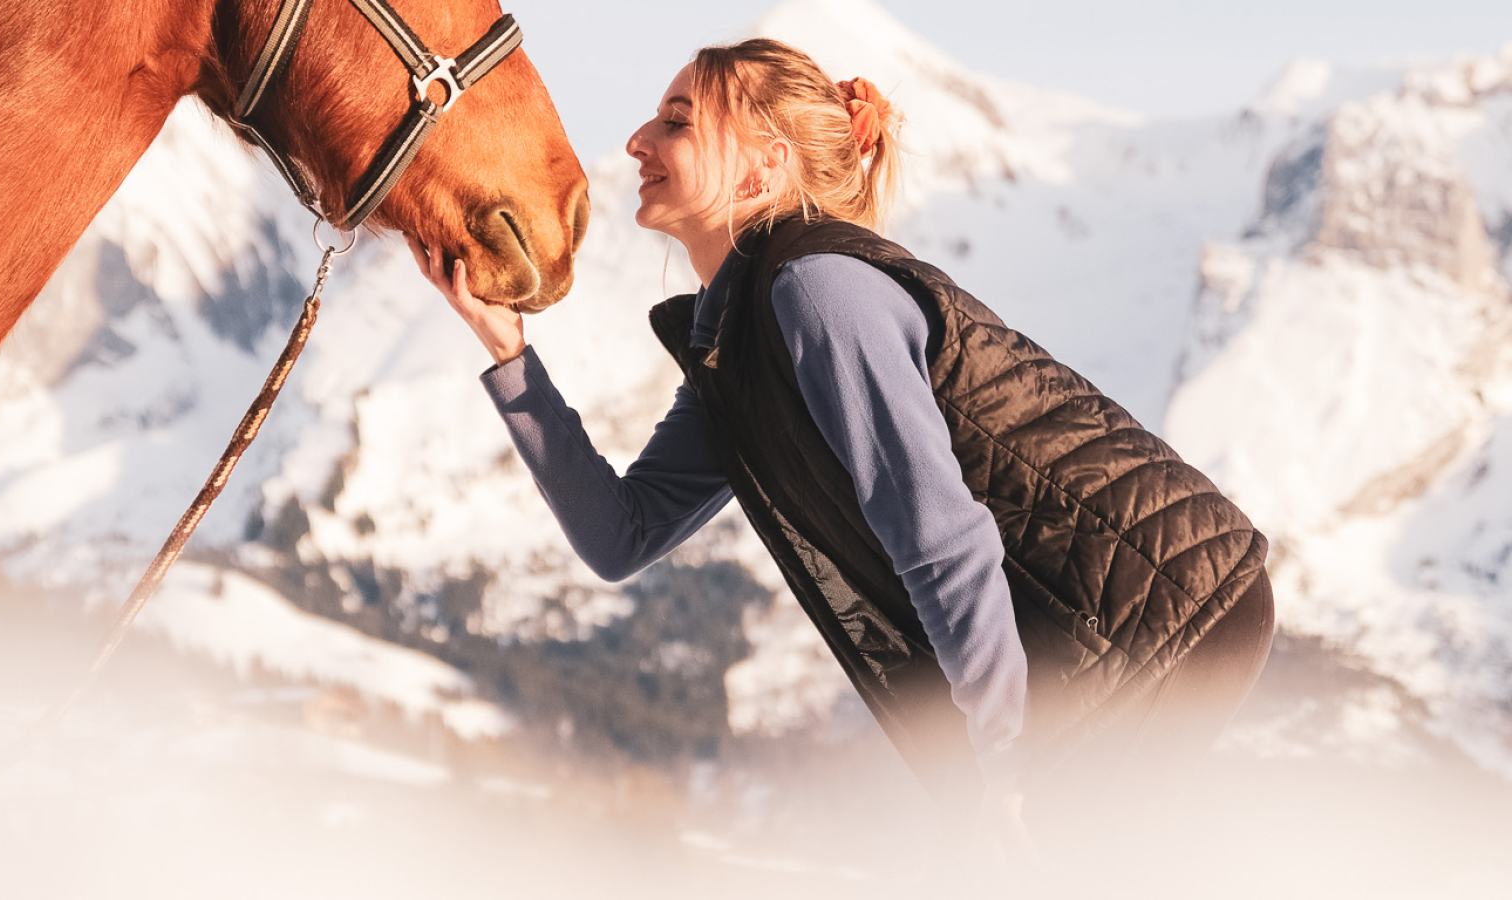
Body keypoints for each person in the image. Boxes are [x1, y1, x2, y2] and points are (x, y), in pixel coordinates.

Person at [407, 38, 1275, 856]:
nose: (636, 139)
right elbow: (620, 536)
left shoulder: (818, 290)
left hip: (1167, 612)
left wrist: (1004, 758)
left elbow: (939, 534)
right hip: (1089, 636)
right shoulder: (742, 341)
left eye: (677, 120)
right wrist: (509, 356)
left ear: (765, 162)